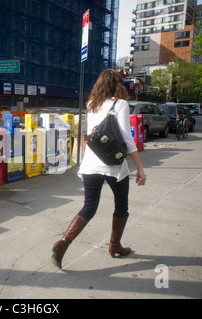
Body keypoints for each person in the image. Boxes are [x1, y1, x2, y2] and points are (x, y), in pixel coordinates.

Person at [51, 69, 146, 269]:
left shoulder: (91, 105)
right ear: (117, 84)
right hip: (114, 166)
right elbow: (126, 138)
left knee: (89, 206)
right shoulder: (120, 104)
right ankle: (115, 245)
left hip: (91, 163)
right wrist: (140, 168)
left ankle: (63, 242)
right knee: (121, 206)